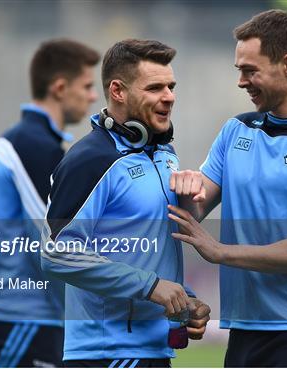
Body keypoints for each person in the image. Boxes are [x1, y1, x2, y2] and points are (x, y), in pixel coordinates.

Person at [168, 10, 287, 367]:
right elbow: (193, 209)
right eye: (239, 71)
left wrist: (223, 252)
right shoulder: (236, 131)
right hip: (245, 328)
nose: (241, 81)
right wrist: (185, 188)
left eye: (250, 70)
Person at [41, 39, 210, 368]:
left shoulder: (164, 154)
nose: (169, 96)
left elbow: (145, 255)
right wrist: (151, 287)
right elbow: (56, 253)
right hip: (107, 354)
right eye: (155, 87)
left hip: (152, 351)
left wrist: (184, 299)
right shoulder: (90, 160)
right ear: (117, 91)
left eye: (171, 86)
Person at [0, 39, 100, 367]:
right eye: (86, 86)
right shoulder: (33, 147)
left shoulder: (23, 140)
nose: (93, 96)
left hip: (26, 312)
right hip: (24, 312)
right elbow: (51, 247)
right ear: (60, 87)